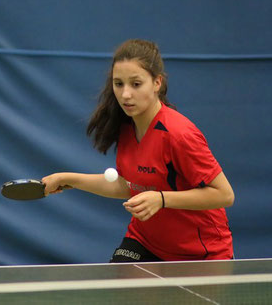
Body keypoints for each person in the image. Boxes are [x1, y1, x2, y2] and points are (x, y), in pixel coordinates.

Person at [42, 39, 234, 262]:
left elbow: (224, 195)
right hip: (145, 241)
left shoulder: (179, 134)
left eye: (136, 84)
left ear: (156, 83)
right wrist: (67, 179)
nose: (125, 95)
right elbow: (129, 185)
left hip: (200, 252)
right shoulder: (127, 127)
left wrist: (161, 199)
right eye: (118, 84)